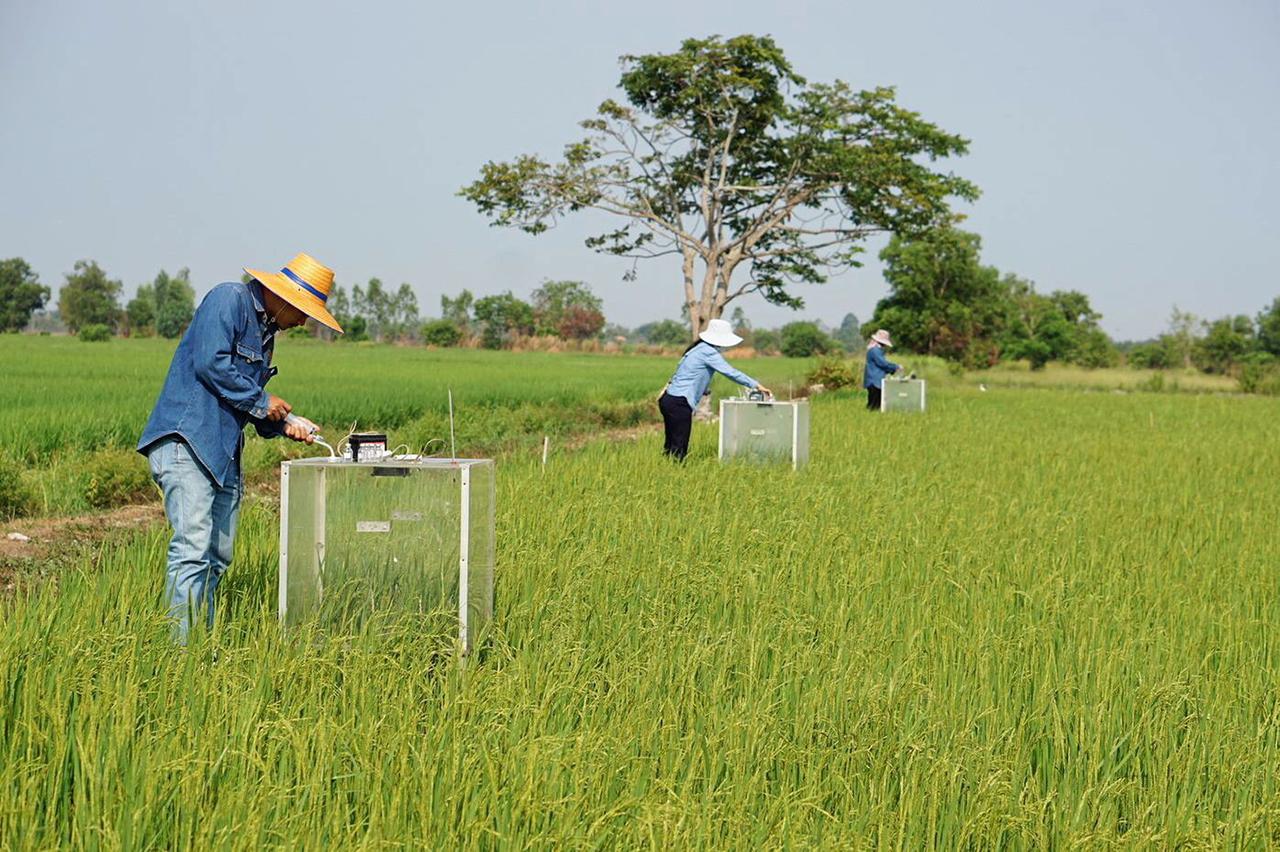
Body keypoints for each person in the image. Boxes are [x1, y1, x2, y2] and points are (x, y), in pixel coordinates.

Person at [136, 253, 344, 642]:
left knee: (217, 556)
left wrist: (286, 424)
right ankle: (180, 654)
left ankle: (201, 641)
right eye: (302, 312)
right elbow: (211, 364)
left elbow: (244, 400)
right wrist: (264, 401)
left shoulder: (265, 336)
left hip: (223, 451)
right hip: (188, 441)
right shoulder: (228, 299)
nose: (302, 322)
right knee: (193, 550)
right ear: (285, 298)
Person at [658, 318, 771, 461]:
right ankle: (676, 475)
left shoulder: (696, 349)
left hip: (669, 400)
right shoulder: (708, 352)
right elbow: (731, 372)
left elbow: (687, 374)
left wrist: (703, 388)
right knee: (679, 449)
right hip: (680, 402)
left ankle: (666, 470)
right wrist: (757, 385)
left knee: (670, 446)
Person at [863, 328, 901, 411]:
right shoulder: (875, 351)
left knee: (875, 403)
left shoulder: (875, 350)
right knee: (874, 404)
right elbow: (882, 363)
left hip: (873, 380)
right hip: (875, 381)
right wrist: (896, 367)